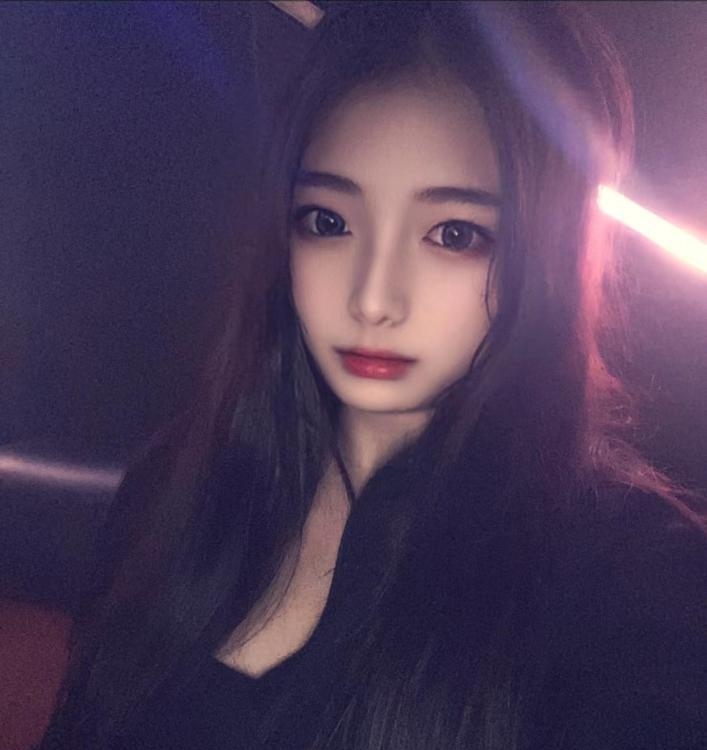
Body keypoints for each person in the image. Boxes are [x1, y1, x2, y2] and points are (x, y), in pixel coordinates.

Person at [39, 2, 707, 749]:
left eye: (453, 234)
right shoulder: (178, 485)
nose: (373, 298)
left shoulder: (629, 582)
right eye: (329, 222)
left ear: (543, 258)